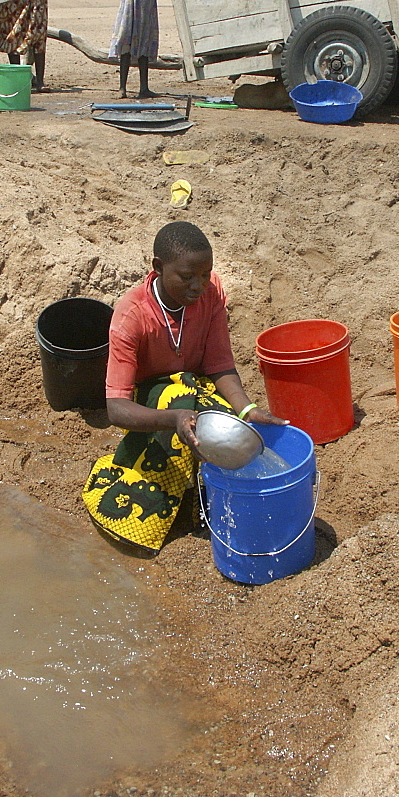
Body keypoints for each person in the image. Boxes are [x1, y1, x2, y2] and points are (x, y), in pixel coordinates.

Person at [82, 221, 286, 554]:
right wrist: (173, 418)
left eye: (206, 274)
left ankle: (202, 506)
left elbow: (220, 364)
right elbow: (116, 408)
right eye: (188, 277)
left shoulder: (211, 293)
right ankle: (159, 511)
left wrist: (246, 410)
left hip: (197, 385)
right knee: (178, 411)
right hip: (153, 397)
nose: (199, 285)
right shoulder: (132, 314)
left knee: (222, 426)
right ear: (159, 268)